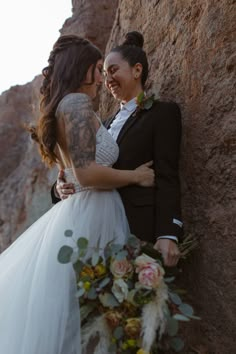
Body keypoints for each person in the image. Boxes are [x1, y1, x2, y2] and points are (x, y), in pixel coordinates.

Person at [0, 34, 154, 354]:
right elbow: (85, 173)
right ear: (79, 69)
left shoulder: (64, 108)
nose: (101, 77)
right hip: (95, 212)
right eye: (97, 68)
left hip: (80, 209)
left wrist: (61, 183)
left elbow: (70, 172)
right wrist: (135, 176)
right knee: (97, 310)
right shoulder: (77, 104)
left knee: (88, 313)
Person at [53, 31, 183, 267]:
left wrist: (168, 233)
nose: (107, 79)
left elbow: (168, 175)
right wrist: (59, 188)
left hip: (138, 232)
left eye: (113, 70)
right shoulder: (101, 124)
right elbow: (82, 169)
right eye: (103, 73)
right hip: (92, 231)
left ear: (136, 70)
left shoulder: (162, 113)